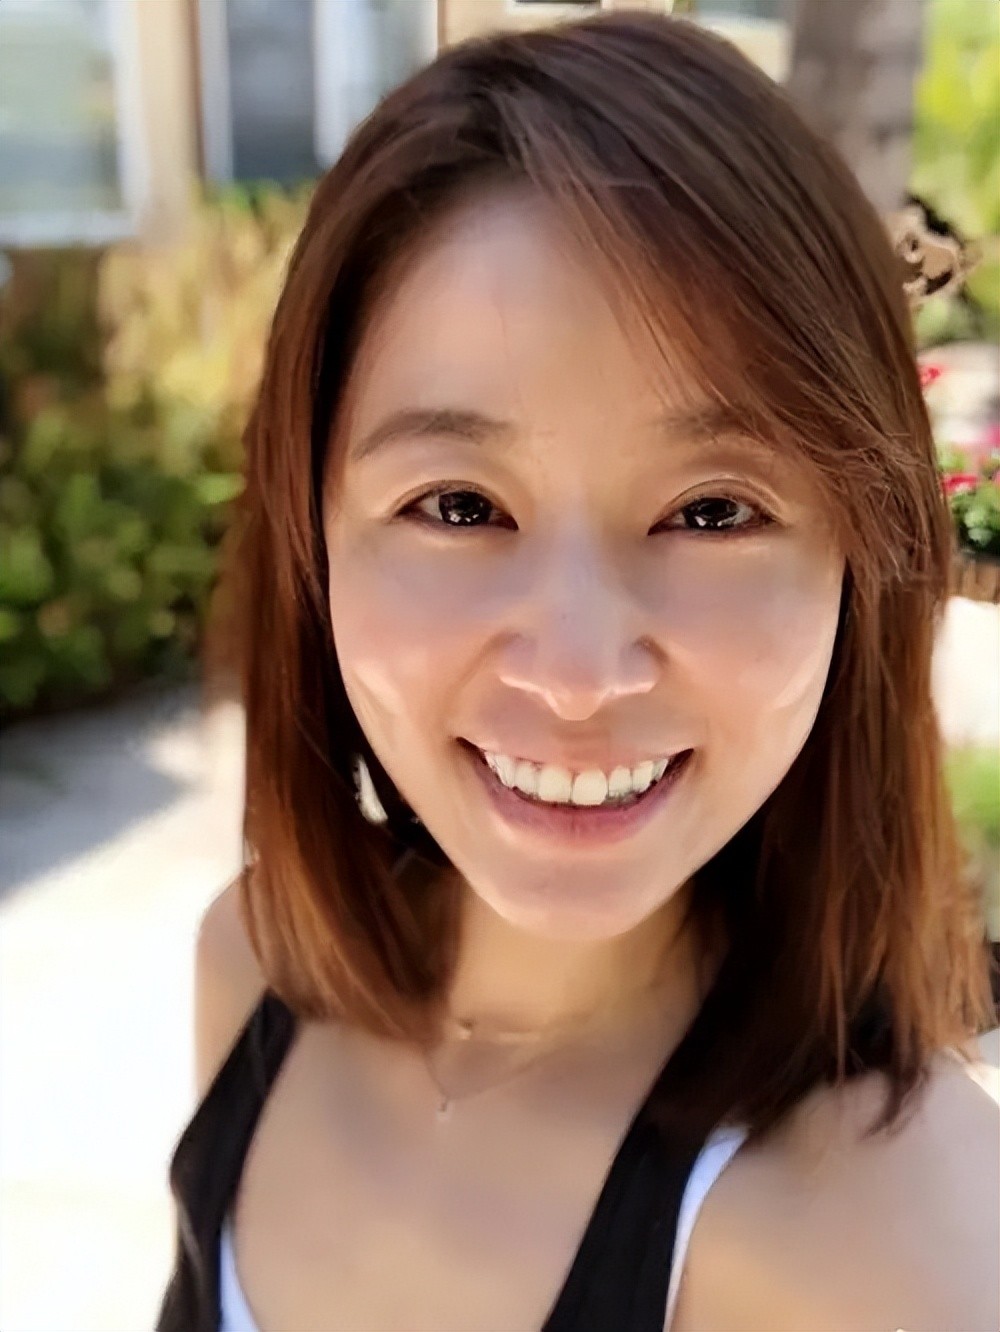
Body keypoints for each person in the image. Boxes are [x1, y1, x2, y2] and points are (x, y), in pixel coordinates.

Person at [155, 11, 999, 1332]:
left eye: (713, 512)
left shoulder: (897, 1248)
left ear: (861, 558)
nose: (577, 674)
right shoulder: (255, 974)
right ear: (310, 535)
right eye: (457, 505)